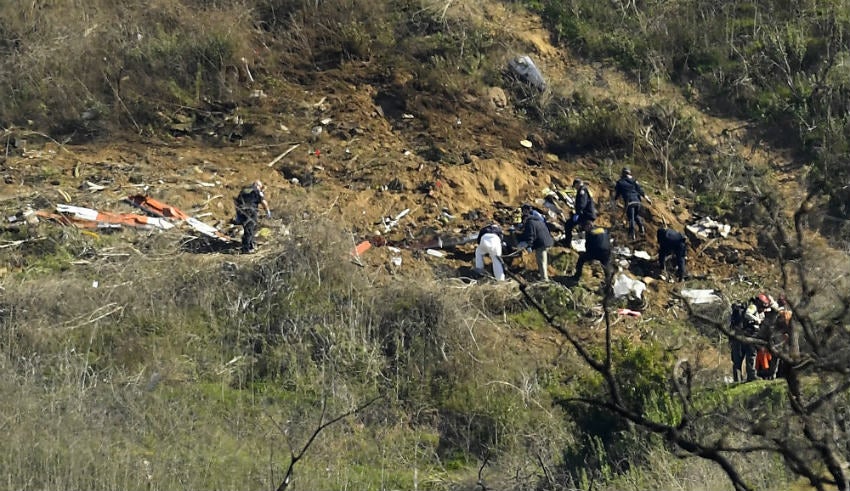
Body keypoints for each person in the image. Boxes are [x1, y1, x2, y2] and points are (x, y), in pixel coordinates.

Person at [731, 293, 778, 382]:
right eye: (763, 306)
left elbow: (776, 308)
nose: (764, 308)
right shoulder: (753, 307)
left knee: (750, 356)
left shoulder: (761, 311)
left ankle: (750, 376)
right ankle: (741, 378)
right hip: (746, 335)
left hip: (748, 336)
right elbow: (747, 314)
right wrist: (758, 320)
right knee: (742, 358)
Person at [517, 204, 555, 281]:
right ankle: (544, 276)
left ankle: (544, 279)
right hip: (547, 241)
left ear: (525, 219)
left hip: (541, 243)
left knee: (541, 261)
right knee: (543, 260)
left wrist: (527, 246)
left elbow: (531, 236)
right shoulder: (538, 220)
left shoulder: (530, 223)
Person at [613, 167, 651, 240]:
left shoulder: (620, 182)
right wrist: (647, 199)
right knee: (635, 215)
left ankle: (632, 235)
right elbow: (640, 191)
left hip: (629, 203)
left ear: (623, 173)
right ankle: (641, 228)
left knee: (631, 218)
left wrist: (615, 200)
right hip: (638, 202)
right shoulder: (634, 181)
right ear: (629, 173)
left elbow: (617, 193)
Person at [234, 180, 271, 254]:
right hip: (250, 211)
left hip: (241, 211)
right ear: (258, 186)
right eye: (260, 187)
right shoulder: (256, 191)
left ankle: (250, 245)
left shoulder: (244, 190)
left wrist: (238, 215)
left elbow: (237, 201)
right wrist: (268, 212)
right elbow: (263, 202)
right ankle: (246, 249)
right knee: (250, 229)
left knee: (247, 229)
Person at [563, 178, 597, 247]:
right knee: (587, 231)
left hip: (586, 215)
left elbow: (582, 203)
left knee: (569, 225)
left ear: (577, 184)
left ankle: (567, 243)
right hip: (586, 215)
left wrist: (577, 213)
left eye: (575, 186)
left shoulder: (582, 190)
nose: (575, 188)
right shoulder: (584, 189)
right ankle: (567, 242)